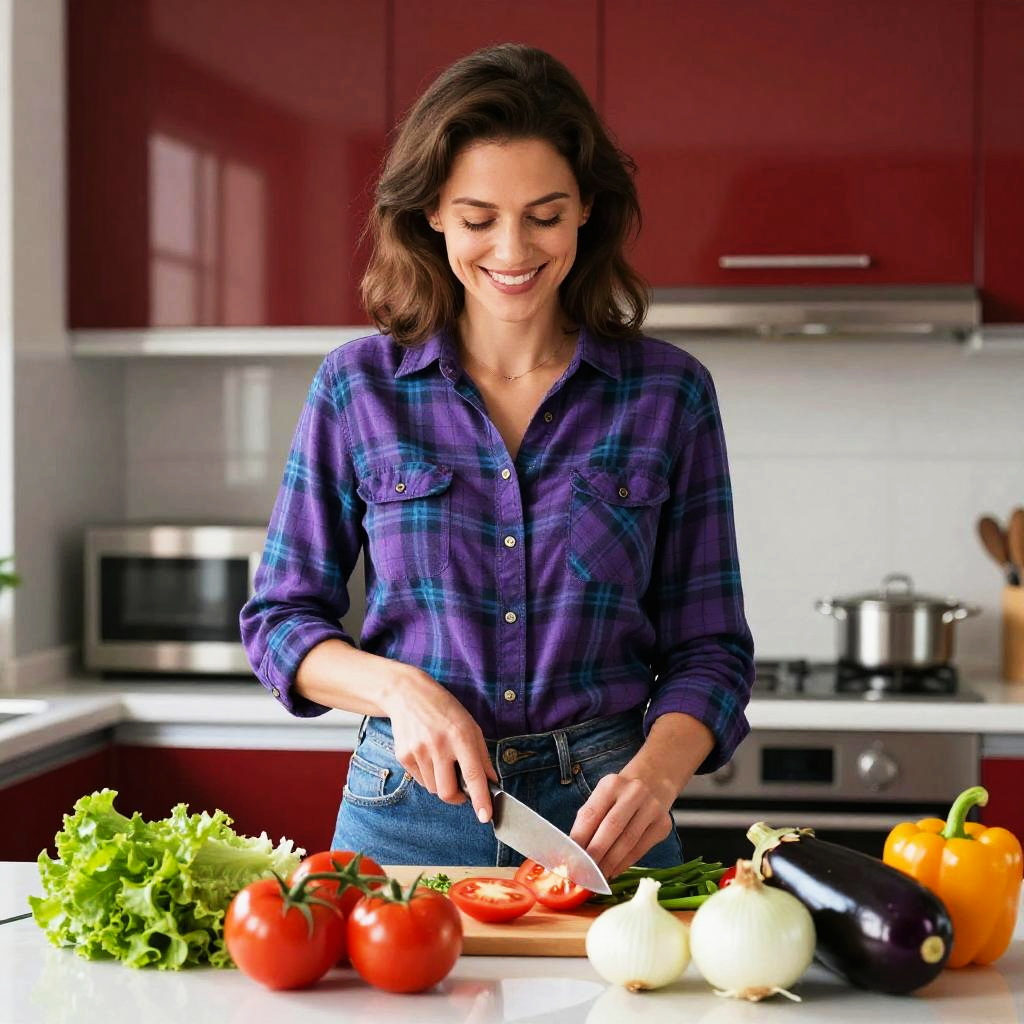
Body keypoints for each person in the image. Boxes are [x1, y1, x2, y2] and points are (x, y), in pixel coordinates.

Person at [240, 43, 754, 882]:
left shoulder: (670, 395)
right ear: (433, 214)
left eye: (544, 215)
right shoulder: (356, 387)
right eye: (478, 218)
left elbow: (713, 650)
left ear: (587, 208)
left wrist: (657, 777)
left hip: (605, 819)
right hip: (404, 815)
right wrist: (403, 692)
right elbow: (280, 622)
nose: (512, 250)